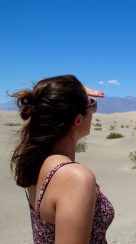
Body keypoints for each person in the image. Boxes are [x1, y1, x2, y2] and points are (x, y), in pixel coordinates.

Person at [10, 75, 114, 243]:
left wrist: (75, 91)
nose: (93, 112)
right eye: (91, 106)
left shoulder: (35, 161)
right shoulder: (75, 178)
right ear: (77, 120)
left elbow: (40, 108)